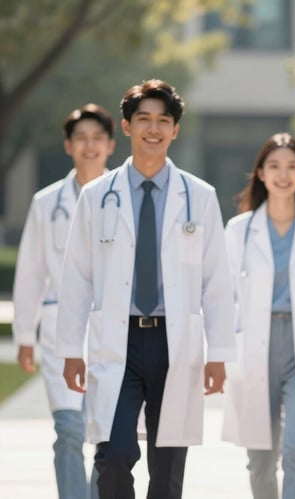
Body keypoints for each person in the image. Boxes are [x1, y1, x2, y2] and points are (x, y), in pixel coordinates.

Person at [56, 79, 236, 499]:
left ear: (175, 130)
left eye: (163, 121)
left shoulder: (201, 197)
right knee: (114, 457)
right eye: (144, 120)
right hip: (119, 341)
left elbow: (217, 282)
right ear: (126, 126)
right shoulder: (98, 196)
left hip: (176, 343)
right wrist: (69, 348)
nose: (153, 129)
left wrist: (220, 354)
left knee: (167, 470)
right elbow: (77, 276)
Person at [221, 133, 295, 498]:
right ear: (260, 173)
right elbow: (224, 297)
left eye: (292, 167)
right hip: (256, 345)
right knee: (260, 459)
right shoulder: (239, 230)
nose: (283, 175)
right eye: (275, 166)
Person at [13, 103, 115, 499]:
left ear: (109, 144)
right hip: (60, 331)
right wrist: (25, 334)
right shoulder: (46, 203)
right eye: (81, 139)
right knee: (69, 431)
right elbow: (30, 273)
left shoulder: (121, 197)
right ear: (69, 146)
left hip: (109, 330)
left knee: (106, 435)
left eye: (97, 139)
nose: (89, 146)